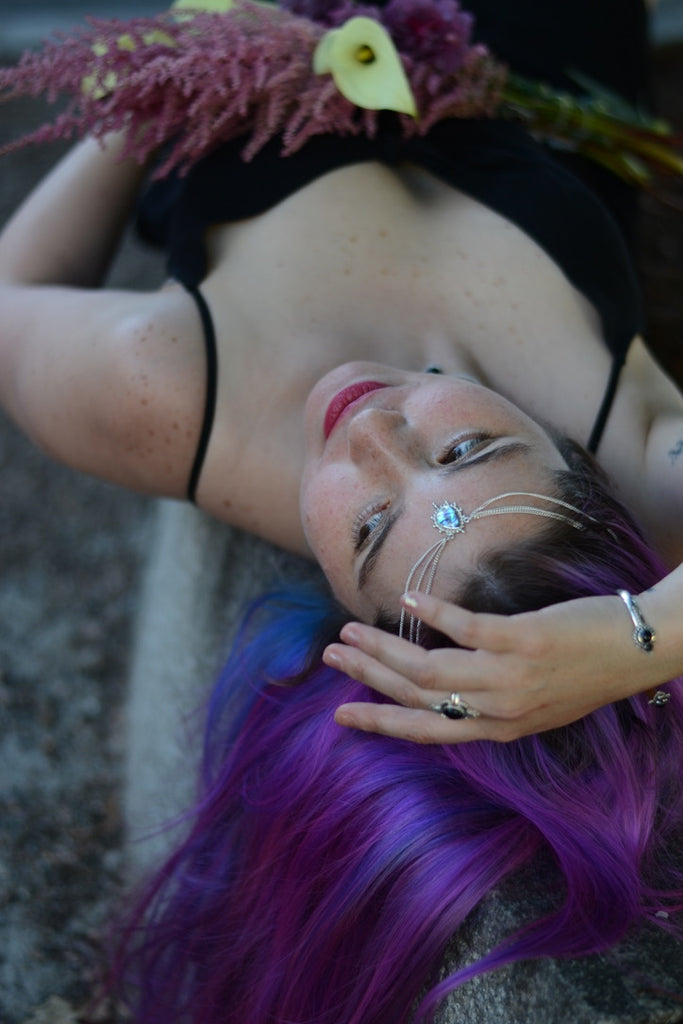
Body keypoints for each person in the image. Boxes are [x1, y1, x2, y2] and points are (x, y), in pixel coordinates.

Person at [0, 0, 681, 1019]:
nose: (375, 434)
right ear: (583, 471)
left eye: (369, 530)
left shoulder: (172, 395)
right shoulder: (632, 440)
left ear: (335, 600)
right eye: (466, 447)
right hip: (542, 51)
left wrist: (149, 86)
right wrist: (639, 640)